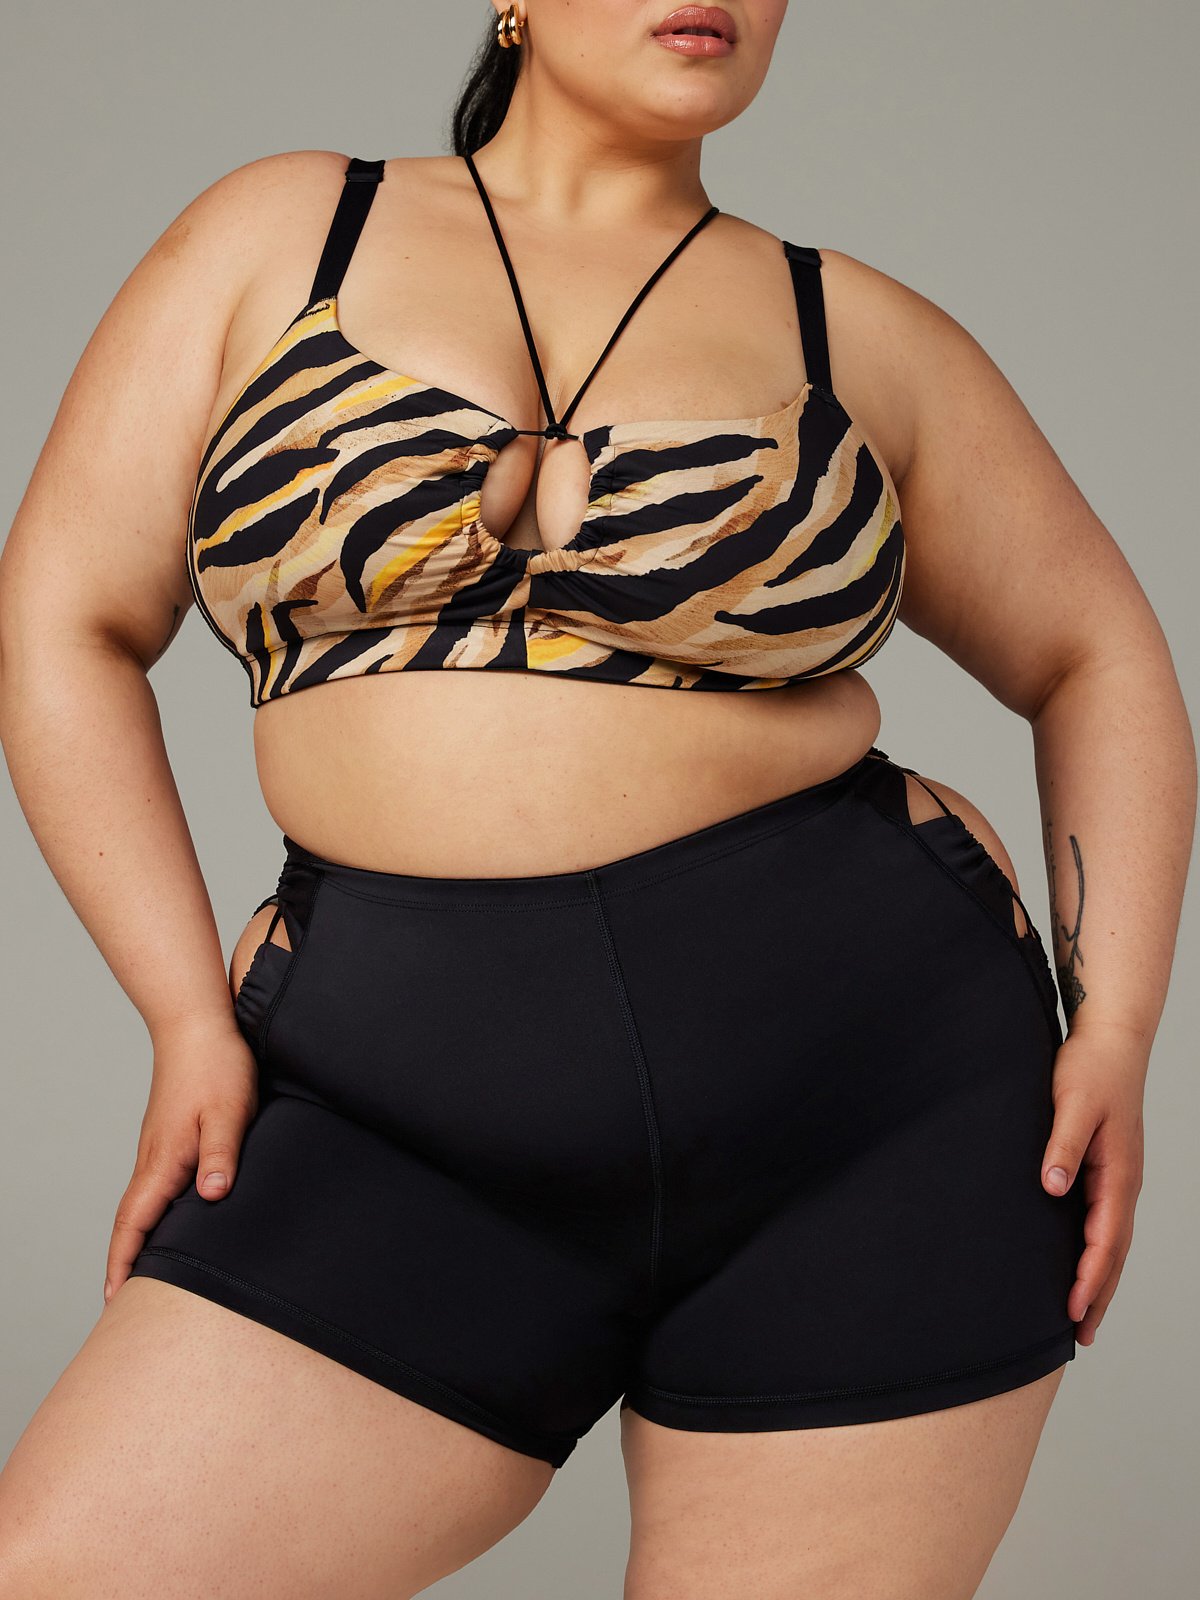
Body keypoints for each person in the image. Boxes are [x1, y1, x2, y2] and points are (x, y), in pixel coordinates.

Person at [0, 3, 1193, 1596]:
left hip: (870, 1118)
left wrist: (1117, 1027)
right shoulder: (281, 236)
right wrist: (180, 1016)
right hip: (392, 1116)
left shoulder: (858, 332)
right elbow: (62, 620)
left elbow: (1096, 652)